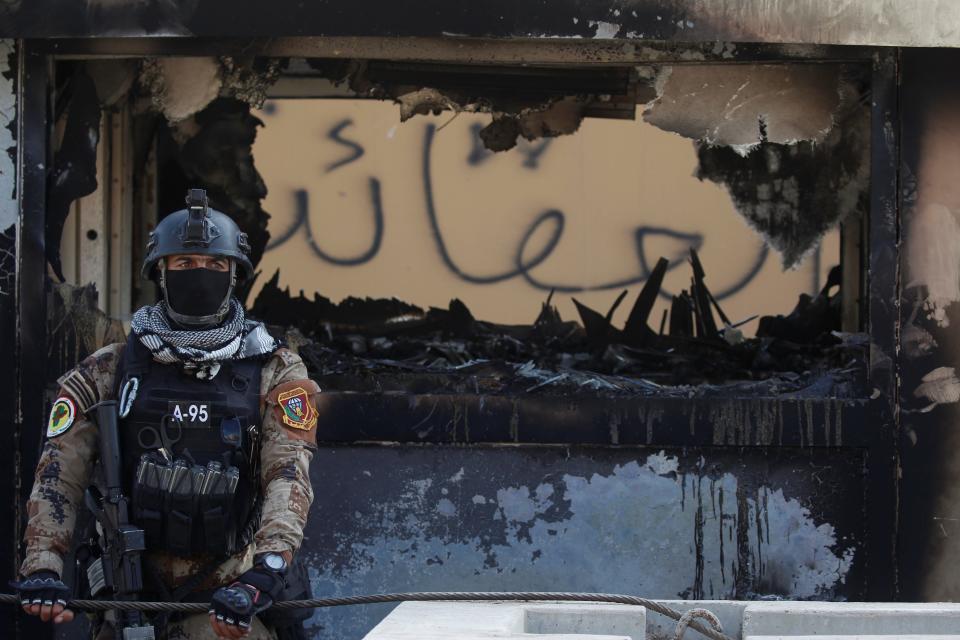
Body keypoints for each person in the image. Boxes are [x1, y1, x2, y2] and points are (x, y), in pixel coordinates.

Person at [12, 189, 319, 639]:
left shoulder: (275, 370)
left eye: (216, 265)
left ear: (234, 275)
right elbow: (59, 474)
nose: (201, 274)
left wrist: (266, 569)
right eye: (184, 264)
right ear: (161, 271)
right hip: (129, 596)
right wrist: (42, 566)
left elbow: (288, 476)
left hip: (230, 598)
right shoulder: (108, 369)